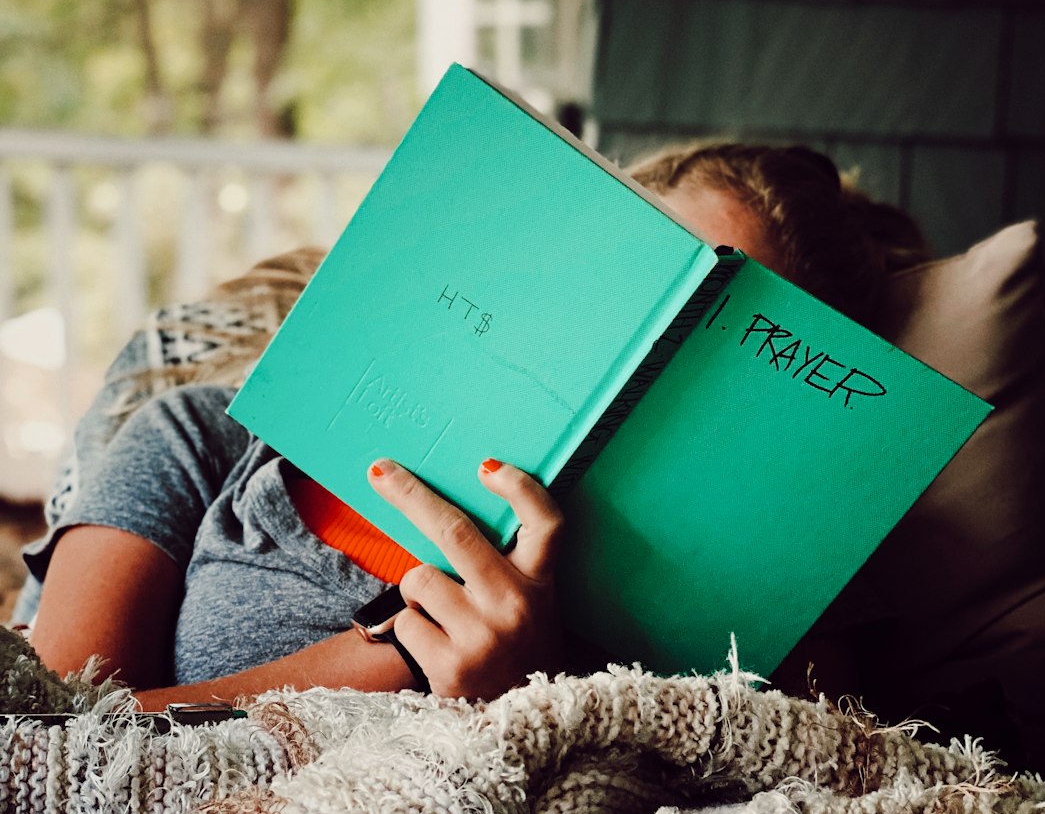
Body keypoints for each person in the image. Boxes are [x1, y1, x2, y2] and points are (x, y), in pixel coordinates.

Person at [24, 141, 928, 709]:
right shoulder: (202, 438)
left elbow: (814, 796)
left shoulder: (746, 609)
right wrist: (374, 669)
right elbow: (52, 742)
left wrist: (534, 702)